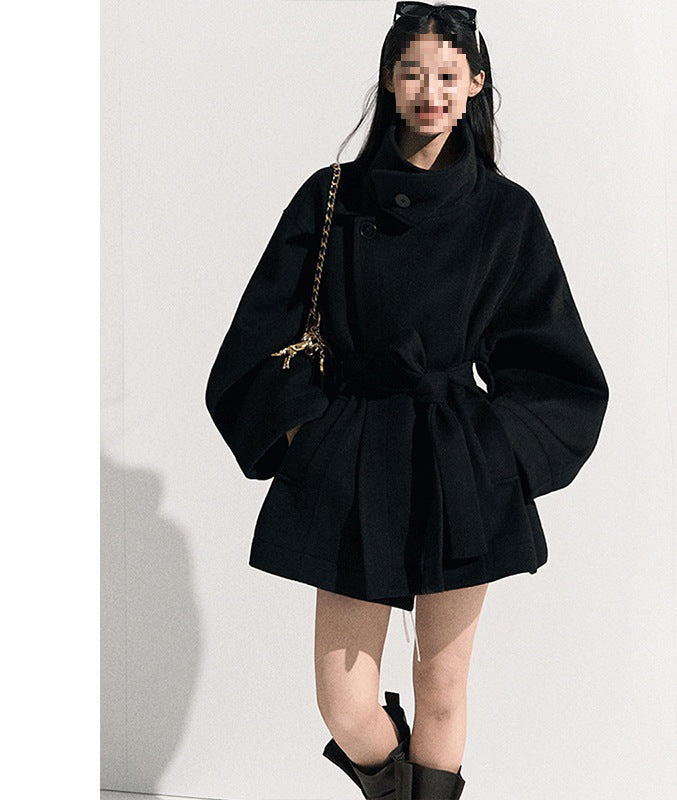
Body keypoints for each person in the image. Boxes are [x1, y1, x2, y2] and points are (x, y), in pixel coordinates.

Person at [205, 2, 610, 797]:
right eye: (413, 72)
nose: (430, 91)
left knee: (442, 684)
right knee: (345, 703)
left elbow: (555, 364)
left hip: (458, 464)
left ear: (475, 85)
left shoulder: (505, 212)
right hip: (354, 454)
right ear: (389, 83)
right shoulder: (332, 197)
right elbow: (258, 333)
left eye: (448, 75)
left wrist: (497, 454)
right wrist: (307, 435)